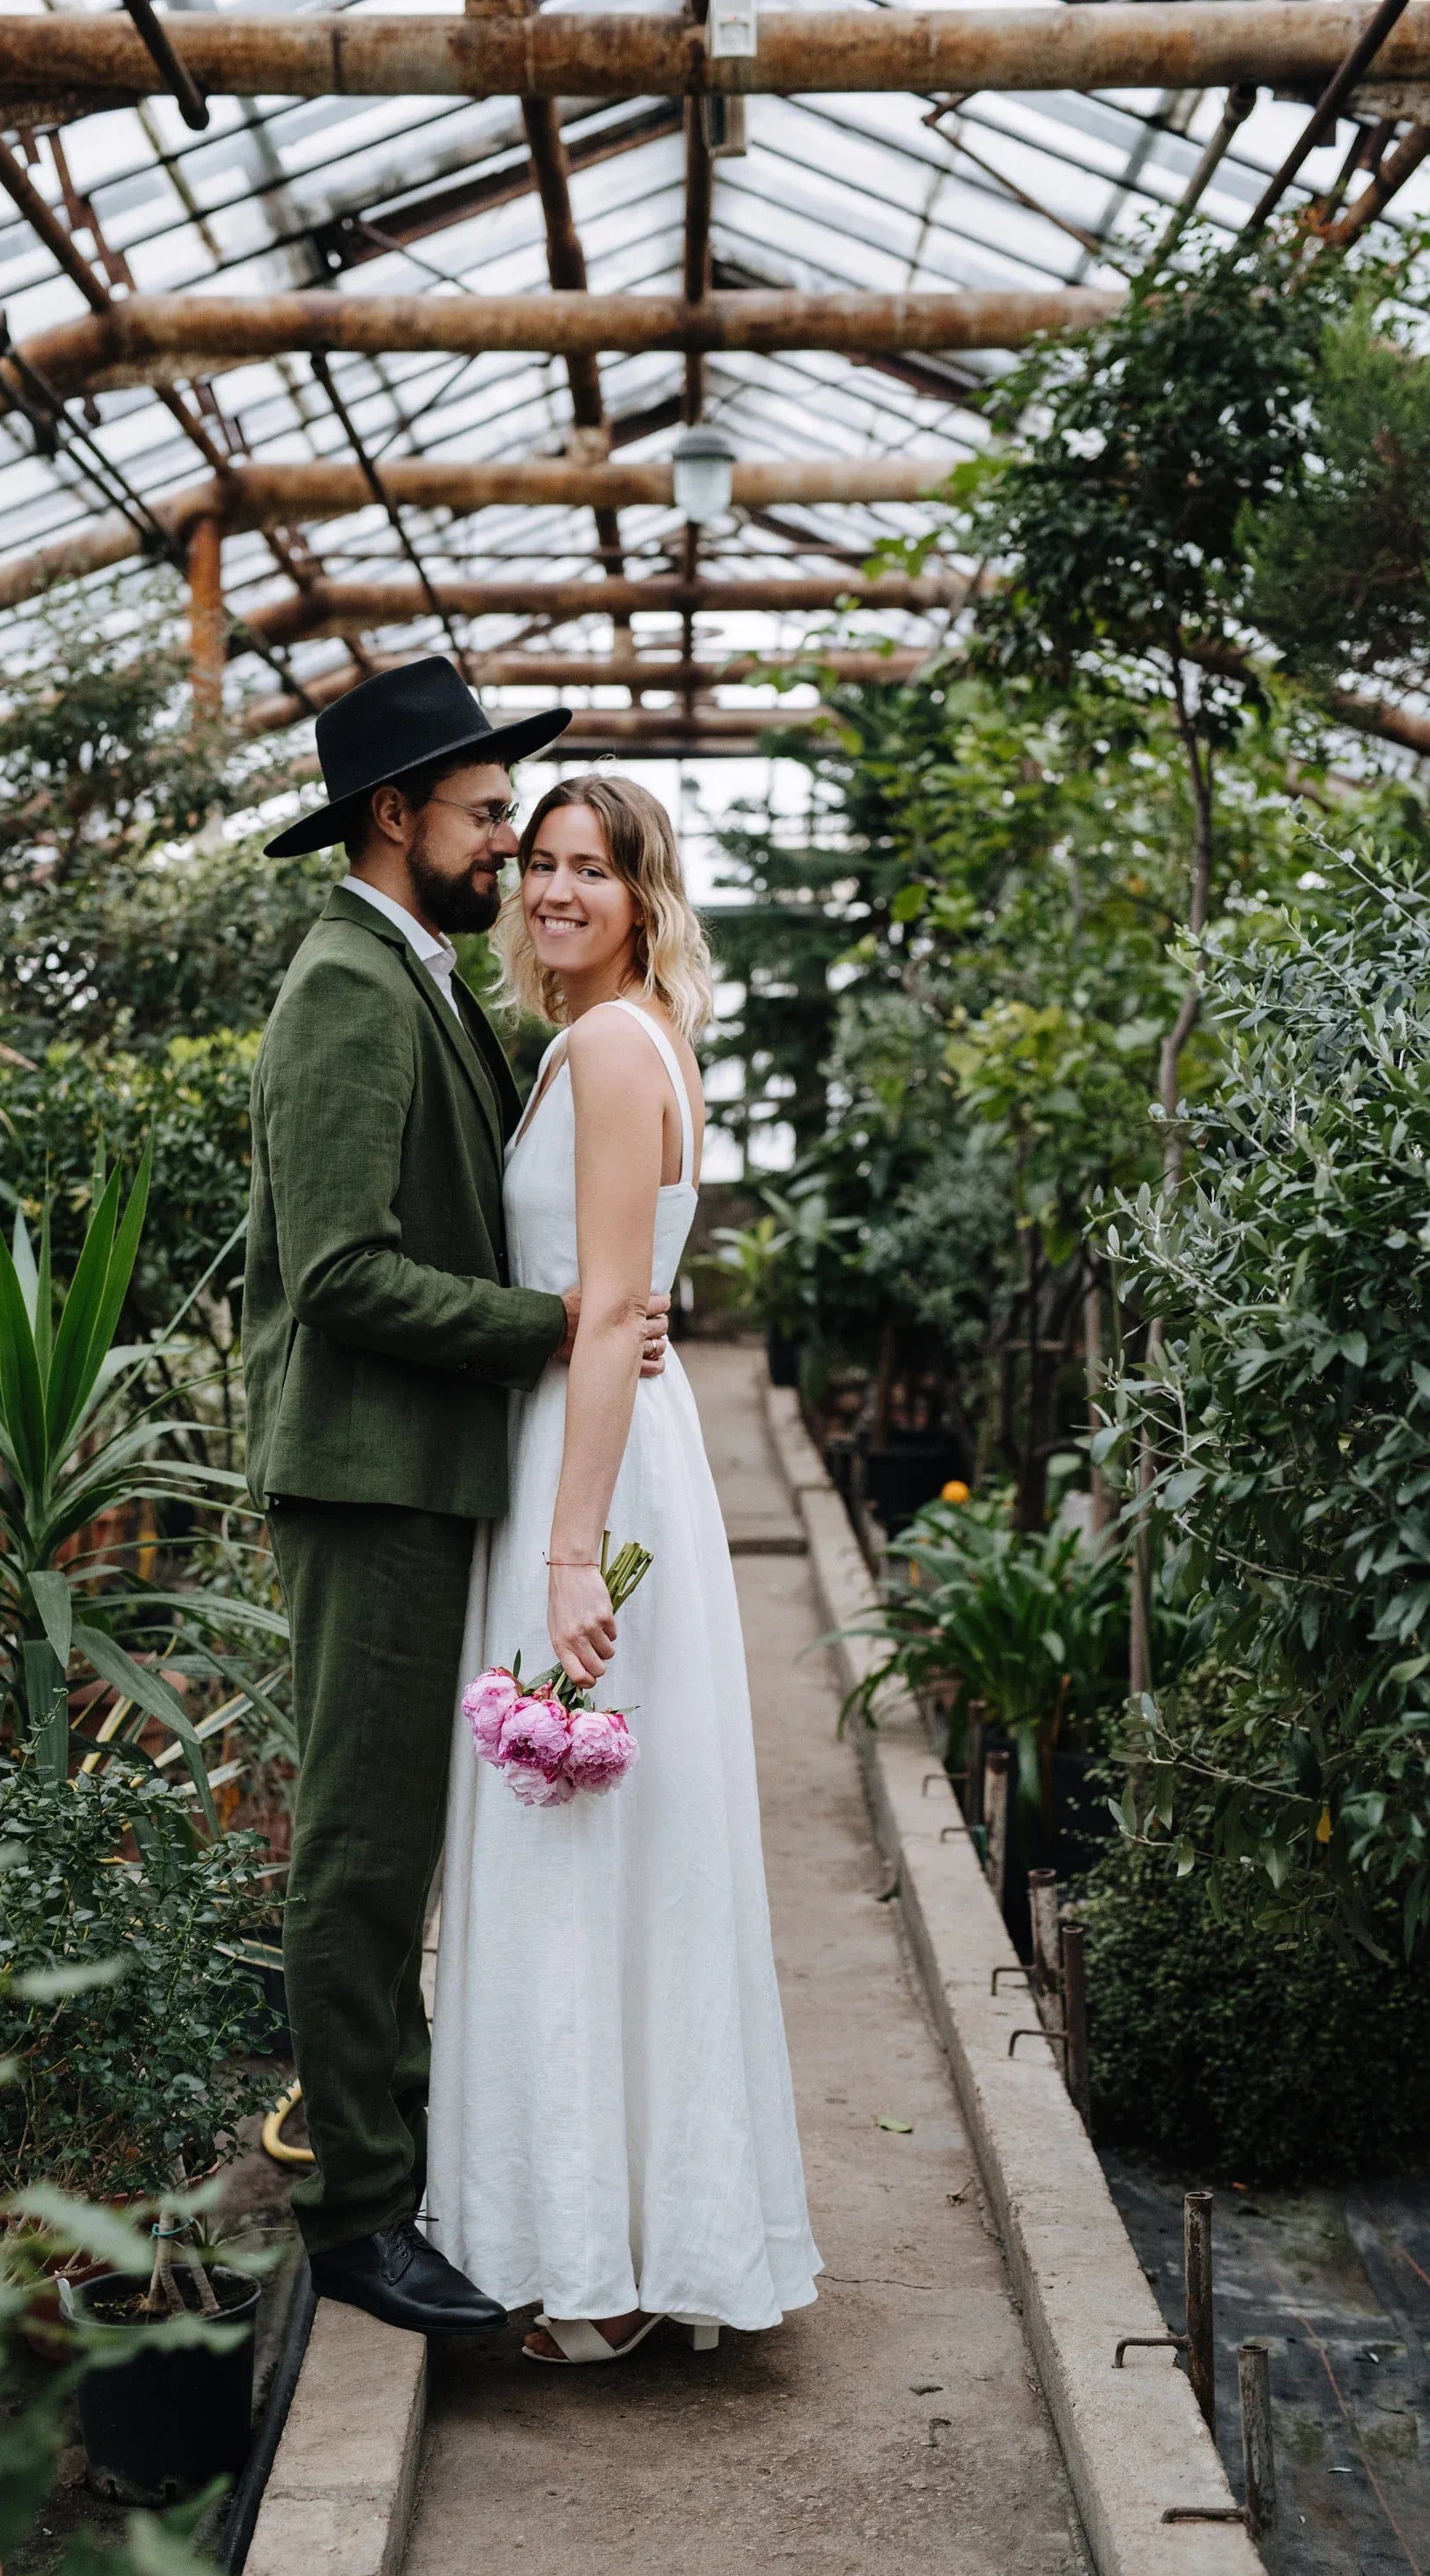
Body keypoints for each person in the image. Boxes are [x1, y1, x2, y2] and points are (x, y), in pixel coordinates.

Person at [243, 659, 671, 2339]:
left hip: (424, 1471)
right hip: (370, 1475)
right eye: (489, 815)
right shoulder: (347, 986)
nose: (508, 847)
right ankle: (356, 2215)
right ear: (392, 816)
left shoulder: (413, 975)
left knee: (404, 1837)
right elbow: (341, 1268)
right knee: (360, 1845)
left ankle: (392, 2155)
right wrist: (550, 1328)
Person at [423, 774, 821, 2364]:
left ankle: (592, 2271)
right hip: (602, 1448)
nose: (556, 892)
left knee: (578, 1861)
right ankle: (630, 2244)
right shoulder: (627, 1037)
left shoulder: (602, 1045)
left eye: (594, 870)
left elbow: (599, 1309)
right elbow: (613, 1295)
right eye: (540, 867)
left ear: (646, 899)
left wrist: (574, 1550)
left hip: (588, 1472)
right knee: (618, 1854)